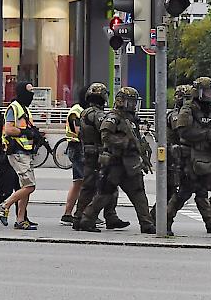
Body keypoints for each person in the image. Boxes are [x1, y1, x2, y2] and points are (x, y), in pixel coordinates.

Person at [167, 77, 211, 239]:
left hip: (209, 157)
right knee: (184, 192)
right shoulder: (188, 110)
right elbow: (183, 132)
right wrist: (207, 134)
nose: (209, 95)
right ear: (198, 92)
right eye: (206, 92)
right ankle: (165, 221)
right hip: (191, 157)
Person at [79, 87, 155, 234]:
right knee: (104, 194)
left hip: (130, 163)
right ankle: (86, 220)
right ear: (121, 102)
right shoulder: (113, 118)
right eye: (130, 102)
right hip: (115, 163)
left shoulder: (131, 119)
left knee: (139, 193)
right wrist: (125, 143)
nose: (133, 106)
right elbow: (105, 137)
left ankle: (146, 224)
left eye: (134, 102)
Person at [150, 84, 211, 233]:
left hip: (187, 155)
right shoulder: (176, 115)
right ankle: (157, 219)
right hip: (175, 156)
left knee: (199, 190)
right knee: (175, 191)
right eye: (185, 98)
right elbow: (182, 134)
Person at [72, 83, 129, 231]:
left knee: (102, 185)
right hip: (97, 154)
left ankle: (108, 216)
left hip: (91, 152)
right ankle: (83, 217)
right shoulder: (96, 114)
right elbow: (106, 129)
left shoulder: (85, 112)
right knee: (97, 186)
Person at [0, 81, 39, 230]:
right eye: (29, 93)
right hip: (17, 152)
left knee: (25, 186)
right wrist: (25, 132)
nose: (31, 96)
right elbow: (8, 129)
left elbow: (25, 127)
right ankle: (5, 205)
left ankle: (20, 220)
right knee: (30, 186)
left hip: (25, 152)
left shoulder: (24, 109)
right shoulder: (14, 108)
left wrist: (35, 134)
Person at [60, 87, 87, 225]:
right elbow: (78, 130)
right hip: (77, 148)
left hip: (78, 148)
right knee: (86, 182)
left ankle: (68, 214)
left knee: (78, 182)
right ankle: (82, 213)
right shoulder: (76, 111)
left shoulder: (81, 109)